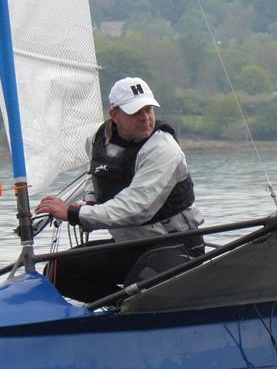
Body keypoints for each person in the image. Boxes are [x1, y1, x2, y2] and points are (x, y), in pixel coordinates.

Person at [35, 77, 204, 301]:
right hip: (131, 243)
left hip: (176, 244)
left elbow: (135, 208)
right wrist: (90, 200)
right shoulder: (97, 140)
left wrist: (74, 213)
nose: (146, 118)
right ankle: (117, 312)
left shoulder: (164, 150)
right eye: (136, 112)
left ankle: (131, 312)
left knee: (139, 292)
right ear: (114, 115)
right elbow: (95, 176)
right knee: (57, 271)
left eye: (149, 110)